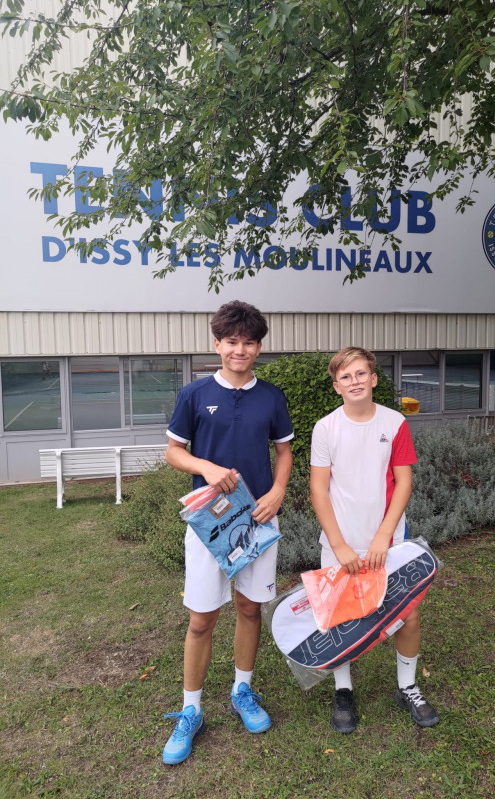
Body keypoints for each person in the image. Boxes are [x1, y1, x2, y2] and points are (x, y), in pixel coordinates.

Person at [162, 301, 293, 765]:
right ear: (217, 343)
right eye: (232, 341)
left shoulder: (271, 396)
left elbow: (284, 451)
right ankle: (191, 710)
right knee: (201, 618)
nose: (241, 350)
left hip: (258, 517)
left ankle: (242, 691)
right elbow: (173, 451)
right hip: (210, 522)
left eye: (249, 342)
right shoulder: (194, 394)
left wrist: (278, 491)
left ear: (259, 347)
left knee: (249, 608)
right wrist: (206, 466)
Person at [310, 346, 438, 734]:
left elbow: (404, 482)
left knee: (408, 615)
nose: (355, 382)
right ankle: (343, 690)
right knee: (339, 618)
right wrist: (339, 545)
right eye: (346, 377)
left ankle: (407, 686)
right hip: (340, 543)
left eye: (361, 374)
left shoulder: (395, 422)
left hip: (390, 541)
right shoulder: (325, 428)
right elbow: (319, 490)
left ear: (374, 379)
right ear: (336, 386)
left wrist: (384, 535)